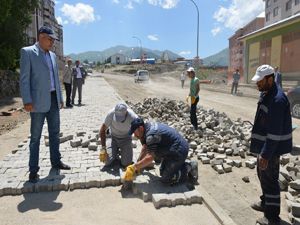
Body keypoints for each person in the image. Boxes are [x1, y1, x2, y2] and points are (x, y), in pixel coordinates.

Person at [20, 26, 71, 183]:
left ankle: (56, 162)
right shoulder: (28, 52)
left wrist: (61, 98)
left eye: (54, 40)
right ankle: (33, 170)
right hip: (36, 102)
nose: (53, 42)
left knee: (55, 134)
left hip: (54, 99)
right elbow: (24, 79)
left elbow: (56, 78)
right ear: (41, 37)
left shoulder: (53, 56)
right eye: (50, 39)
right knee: (35, 137)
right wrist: (27, 100)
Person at [250, 64, 292, 225]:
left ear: (269, 79)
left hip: (272, 149)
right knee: (263, 176)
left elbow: (274, 132)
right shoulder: (267, 93)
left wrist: (266, 154)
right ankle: (265, 203)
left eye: (260, 81)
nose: (257, 84)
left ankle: (272, 217)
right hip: (265, 146)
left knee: (270, 180)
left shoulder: (277, 99)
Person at [123, 118, 198, 186]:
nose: (134, 134)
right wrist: (138, 165)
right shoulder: (146, 128)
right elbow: (145, 147)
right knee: (162, 171)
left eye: (134, 132)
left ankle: (190, 166)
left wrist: (134, 167)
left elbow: (150, 158)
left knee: (166, 179)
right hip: (170, 147)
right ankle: (177, 165)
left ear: (140, 128)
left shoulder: (151, 136)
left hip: (179, 150)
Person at [99, 103, 138, 168]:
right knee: (107, 162)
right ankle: (115, 151)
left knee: (126, 164)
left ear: (126, 113)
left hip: (126, 139)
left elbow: (141, 131)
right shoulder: (111, 114)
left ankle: (122, 151)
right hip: (113, 138)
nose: (119, 121)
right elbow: (102, 130)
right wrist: (103, 148)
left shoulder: (132, 117)